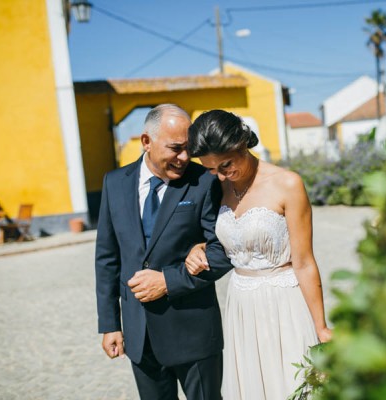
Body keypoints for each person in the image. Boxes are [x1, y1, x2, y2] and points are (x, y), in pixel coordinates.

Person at [185, 109, 332, 399]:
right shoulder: (217, 187)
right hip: (241, 305)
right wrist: (197, 246)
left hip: (284, 302)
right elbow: (215, 236)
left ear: (242, 143)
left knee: (293, 385)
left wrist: (321, 327)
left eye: (225, 165)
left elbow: (303, 262)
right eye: (212, 169)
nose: (222, 175)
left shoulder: (287, 184)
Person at [95, 104, 233, 400]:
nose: (185, 157)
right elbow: (107, 258)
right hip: (139, 335)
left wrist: (168, 281)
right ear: (146, 141)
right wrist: (110, 324)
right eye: (176, 148)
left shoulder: (204, 181)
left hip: (193, 331)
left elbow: (224, 251)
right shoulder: (114, 183)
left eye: (188, 149)